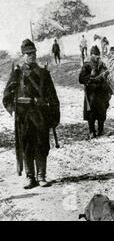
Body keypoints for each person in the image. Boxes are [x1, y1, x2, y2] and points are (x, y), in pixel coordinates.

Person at [2, 39, 60, 189]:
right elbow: (7, 96)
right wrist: (13, 109)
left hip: (41, 116)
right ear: (23, 55)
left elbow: (53, 97)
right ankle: (30, 178)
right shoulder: (17, 74)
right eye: (28, 54)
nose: (31, 56)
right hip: (24, 118)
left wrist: (54, 117)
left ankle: (41, 176)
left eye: (33, 53)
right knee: (27, 146)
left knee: (42, 145)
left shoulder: (44, 73)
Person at [79, 45, 112, 139]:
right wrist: (90, 76)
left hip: (101, 93)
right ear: (91, 55)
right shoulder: (86, 65)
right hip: (91, 93)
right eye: (95, 55)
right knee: (91, 114)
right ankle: (92, 131)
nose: (97, 56)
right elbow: (81, 79)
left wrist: (106, 74)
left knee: (102, 112)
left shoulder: (102, 65)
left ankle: (101, 130)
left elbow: (106, 75)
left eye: (98, 55)